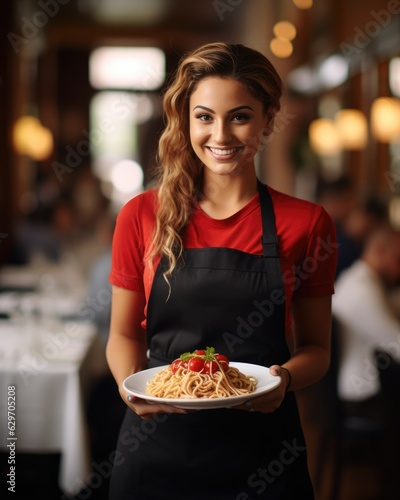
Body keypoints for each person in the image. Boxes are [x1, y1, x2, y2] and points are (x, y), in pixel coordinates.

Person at [106, 42, 337, 500]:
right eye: (205, 116)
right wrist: (130, 389)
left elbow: (316, 349)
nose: (221, 135)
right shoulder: (141, 215)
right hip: (156, 447)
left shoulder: (307, 223)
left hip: (264, 451)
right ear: (186, 120)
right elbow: (123, 334)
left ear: (269, 119)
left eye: (240, 116)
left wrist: (284, 379)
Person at [332, 224, 400, 407]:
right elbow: (397, 344)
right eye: (398, 260)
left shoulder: (363, 279)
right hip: (362, 392)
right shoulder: (361, 289)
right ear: (380, 250)